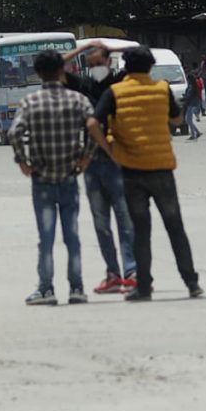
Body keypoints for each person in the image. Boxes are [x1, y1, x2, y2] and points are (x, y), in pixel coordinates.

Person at [90, 47, 200, 301]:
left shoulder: (115, 92)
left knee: (140, 231)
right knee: (175, 227)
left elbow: (93, 123)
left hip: (131, 171)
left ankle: (143, 286)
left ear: (125, 67)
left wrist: (109, 148)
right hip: (161, 169)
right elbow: (177, 120)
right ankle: (191, 282)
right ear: (150, 67)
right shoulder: (162, 88)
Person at [7, 50, 93, 306]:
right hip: (69, 176)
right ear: (61, 71)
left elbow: (14, 133)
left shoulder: (30, 102)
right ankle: (76, 288)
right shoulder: (78, 100)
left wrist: (22, 161)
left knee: (45, 237)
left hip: (42, 178)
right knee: (72, 236)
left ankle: (46, 289)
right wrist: (85, 157)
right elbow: (92, 127)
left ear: (38, 73)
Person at [68, 45, 137, 294]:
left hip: (117, 159)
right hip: (91, 161)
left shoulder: (119, 80)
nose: (95, 67)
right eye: (91, 63)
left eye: (98, 62)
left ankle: (131, 270)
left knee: (125, 218)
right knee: (101, 223)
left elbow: (141, 57)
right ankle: (112, 273)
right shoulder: (84, 84)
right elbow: (55, 67)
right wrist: (85, 47)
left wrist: (117, 47)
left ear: (109, 61)